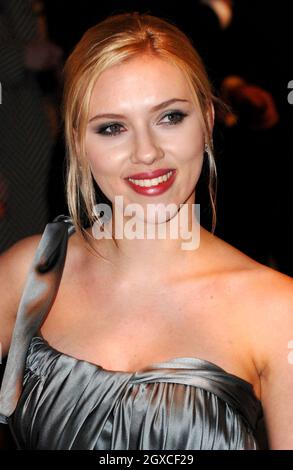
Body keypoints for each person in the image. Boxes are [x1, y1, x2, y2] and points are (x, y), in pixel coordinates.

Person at [0, 12, 292, 451]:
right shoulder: (29, 274)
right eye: (112, 127)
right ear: (78, 141)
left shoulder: (277, 309)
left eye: (170, 117)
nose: (147, 152)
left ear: (208, 120)